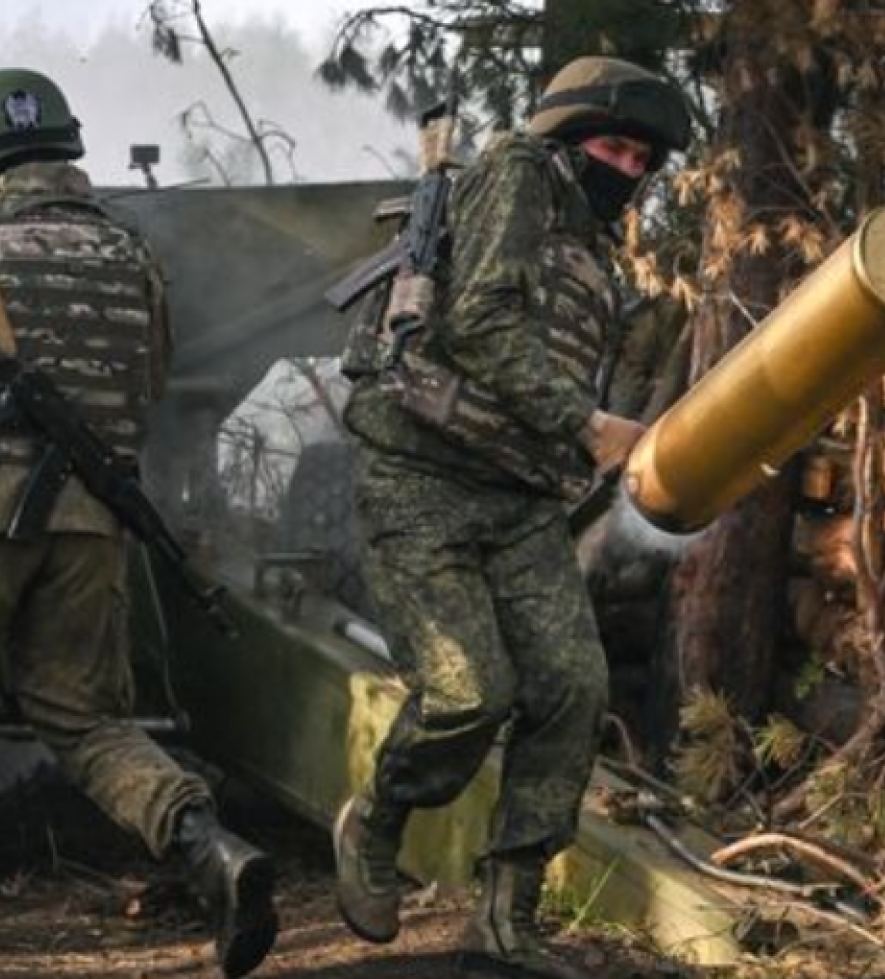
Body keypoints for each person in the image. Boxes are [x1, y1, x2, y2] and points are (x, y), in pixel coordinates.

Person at [0, 68, 279, 979]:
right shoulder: (126, 249)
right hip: (90, 523)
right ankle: (206, 845)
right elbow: (147, 385)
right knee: (88, 721)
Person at [331, 56, 692, 978]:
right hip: (423, 473)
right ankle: (376, 817)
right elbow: (484, 322)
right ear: (569, 138)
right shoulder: (517, 175)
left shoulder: (591, 247)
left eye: (645, 159)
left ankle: (507, 915)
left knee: (572, 686)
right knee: (466, 692)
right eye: (616, 146)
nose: (632, 170)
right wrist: (588, 423)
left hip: (520, 496)